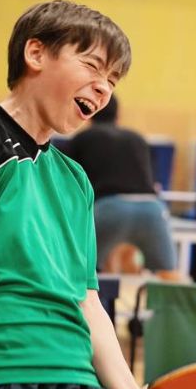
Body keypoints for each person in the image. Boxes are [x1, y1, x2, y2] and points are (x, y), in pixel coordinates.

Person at [0, 0, 169, 389]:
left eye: (112, 80)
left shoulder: (75, 178)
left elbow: (87, 298)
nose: (103, 88)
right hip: (3, 370)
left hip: (77, 377)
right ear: (35, 54)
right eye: (93, 67)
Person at [67, 94, 177, 278]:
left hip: (110, 208)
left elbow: (70, 186)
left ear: (89, 113)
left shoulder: (82, 139)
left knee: (86, 273)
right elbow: (154, 182)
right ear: (119, 115)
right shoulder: (138, 139)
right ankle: (186, 304)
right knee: (169, 274)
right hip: (152, 208)